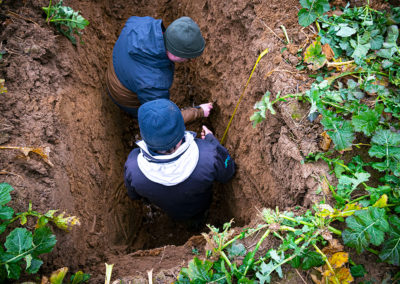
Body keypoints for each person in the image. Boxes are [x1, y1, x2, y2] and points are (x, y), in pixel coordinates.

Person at [124, 99, 235, 222]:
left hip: (170, 210)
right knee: (199, 218)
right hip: (200, 206)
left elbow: (133, 194)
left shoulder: (134, 167)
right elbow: (228, 171)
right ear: (181, 129)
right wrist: (211, 141)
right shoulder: (209, 154)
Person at [105, 16, 213, 122]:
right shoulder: (153, 82)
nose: (191, 61)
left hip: (117, 67)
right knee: (153, 120)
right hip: (123, 96)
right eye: (188, 58)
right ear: (175, 55)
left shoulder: (143, 23)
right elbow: (164, 119)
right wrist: (199, 111)